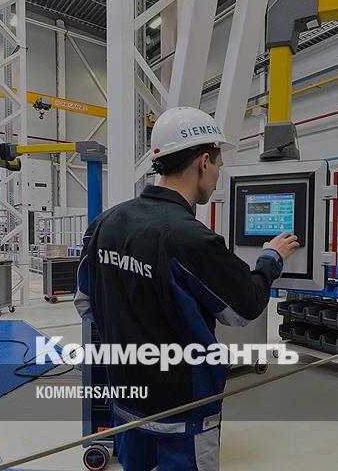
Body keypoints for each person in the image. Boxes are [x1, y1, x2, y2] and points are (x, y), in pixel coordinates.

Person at [75, 106, 299, 471]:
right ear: (203, 162)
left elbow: (85, 304)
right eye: (218, 164)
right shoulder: (192, 239)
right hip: (184, 414)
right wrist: (271, 258)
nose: (218, 174)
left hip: (127, 401)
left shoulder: (105, 223)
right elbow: (243, 310)